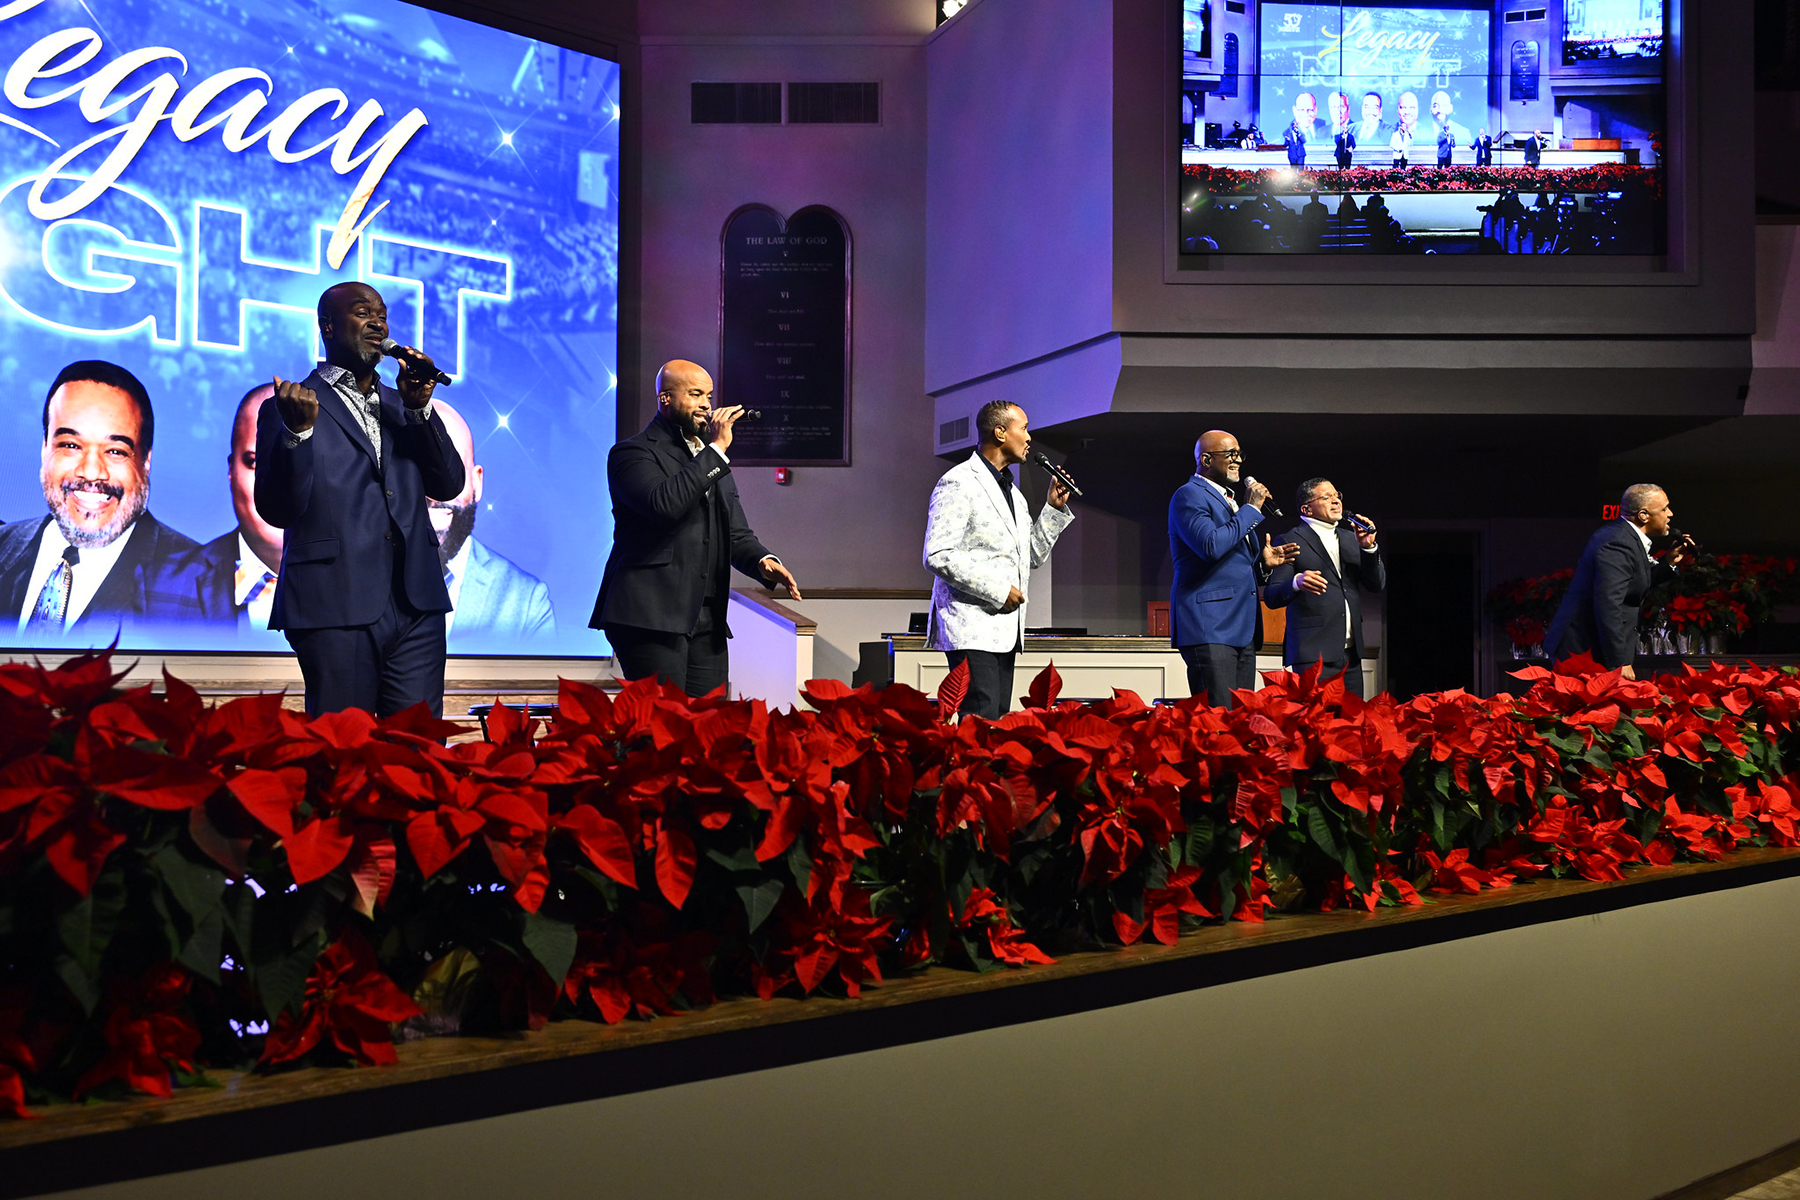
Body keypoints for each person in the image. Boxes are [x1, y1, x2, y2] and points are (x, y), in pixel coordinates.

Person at [255, 282, 466, 717]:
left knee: (418, 753)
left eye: (382, 313)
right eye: (361, 311)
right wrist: (297, 434)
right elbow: (277, 509)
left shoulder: (402, 404)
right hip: (334, 601)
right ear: (327, 326)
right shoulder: (291, 405)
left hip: (417, 602)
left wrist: (420, 411)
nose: (377, 321)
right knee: (343, 756)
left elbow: (448, 484)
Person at [590, 359, 801, 696]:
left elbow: (735, 532)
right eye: (695, 394)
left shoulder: (709, 461)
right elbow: (664, 505)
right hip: (650, 617)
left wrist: (763, 561)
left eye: (709, 395)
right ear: (665, 399)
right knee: (663, 728)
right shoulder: (632, 454)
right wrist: (717, 450)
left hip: (706, 619)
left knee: (711, 731)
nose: (706, 403)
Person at [0, 360, 210, 641]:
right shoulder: (4, 545)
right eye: (71, 445)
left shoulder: (203, 587)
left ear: (146, 460)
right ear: (45, 447)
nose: (91, 471)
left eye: (115, 451)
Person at [923, 400, 1073, 719]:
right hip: (970, 624)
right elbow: (937, 554)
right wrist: (997, 591)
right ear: (1000, 432)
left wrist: (1053, 510)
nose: (1030, 437)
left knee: (997, 720)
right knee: (981, 717)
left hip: (1004, 631)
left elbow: (1029, 557)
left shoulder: (1014, 495)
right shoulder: (959, 481)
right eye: (1024, 428)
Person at [1168, 430, 1298, 708]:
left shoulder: (1229, 500)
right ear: (1205, 459)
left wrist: (1264, 563)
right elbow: (1210, 546)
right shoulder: (1189, 496)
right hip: (1210, 625)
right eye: (1230, 454)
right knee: (1218, 721)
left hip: (1241, 627)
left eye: (1240, 454)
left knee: (1241, 722)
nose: (1238, 460)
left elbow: (1232, 558)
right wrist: (1251, 509)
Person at [430, 401, 555, 650]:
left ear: (477, 482)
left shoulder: (526, 603)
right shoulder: (353, 581)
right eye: (416, 471)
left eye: (452, 469)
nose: (437, 492)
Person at [1544, 484, 1693, 677]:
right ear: (1643, 516)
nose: (1670, 514)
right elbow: (1608, 602)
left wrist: (1669, 561)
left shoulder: (1626, 537)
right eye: (1664, 509)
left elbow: (1635, 582)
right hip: (1582, 647)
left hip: (1594, 645)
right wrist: (1619, 661)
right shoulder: (1617, 542)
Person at [1265, 479, 1384, 698]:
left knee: (1351, 726)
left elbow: (1376, 584)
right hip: (1313, 654)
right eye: (1326, 497)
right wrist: (1296, 583)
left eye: (1336, 495)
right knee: (1315, 726)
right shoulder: (1290, 540)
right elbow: (1272, 596)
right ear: (1307, 508)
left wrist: (1368, 548)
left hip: (1351, 654)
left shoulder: (1352, 539)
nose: (1335, 500)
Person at [196, 383, 285, 637]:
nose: (275, 482)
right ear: (231, 470)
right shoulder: (155, 584)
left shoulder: (366, 584)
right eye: (255, 462)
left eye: (296, 461)